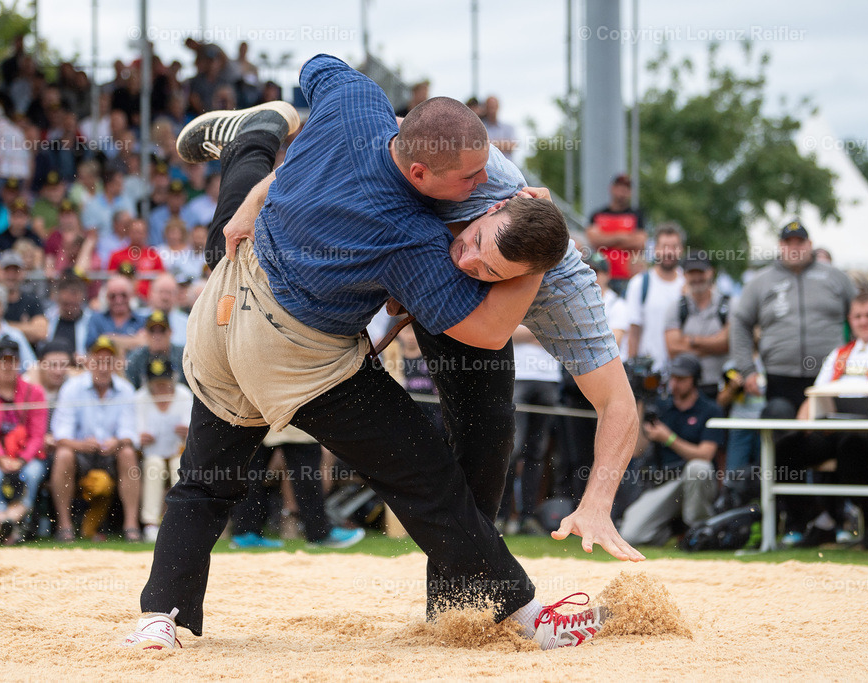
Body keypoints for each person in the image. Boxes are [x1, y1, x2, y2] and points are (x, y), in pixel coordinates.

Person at [126, 57, 631, 653]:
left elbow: (321, 66)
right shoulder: (410, 236)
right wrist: (530, 261)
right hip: (295, 351)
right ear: (420, 170)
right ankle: (525, 613)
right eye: (469, 179)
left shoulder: (354, 103)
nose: (479, 184)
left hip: (224, 305)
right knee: (427, 478)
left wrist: (268, 180)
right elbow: (488, 332)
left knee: (206, 477)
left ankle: (160, 617)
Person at [771, 292, 868, 549]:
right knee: (784, 449)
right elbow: (814, 396)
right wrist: (805, 426)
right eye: (858, 316)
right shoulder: (838, 355)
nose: (864, 321)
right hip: (833, 429)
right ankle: (820, 520)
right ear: (850, 320)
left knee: (851, 446)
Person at [730, 221, 857, 413]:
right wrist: (747, 370)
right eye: (789, 242)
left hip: (831, 375)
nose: (794, 248)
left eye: (800, 242)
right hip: (779, 376)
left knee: (828, 435)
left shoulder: (836, 277)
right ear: (780, 246)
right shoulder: (760, 281)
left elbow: (859, 316)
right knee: (780, 420)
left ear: (810, 244)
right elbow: (740, 323)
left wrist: (858, 359)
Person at [617, 354, 724, 546]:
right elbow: (637, 450)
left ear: (695, 380)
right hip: (666, 483)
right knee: (630, 535)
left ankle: (698, 531)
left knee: (697, 468)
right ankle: (672, 533)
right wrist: (640, 401)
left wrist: (669, 439)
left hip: (696, 480)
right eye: (673, 377)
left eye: (682, 379)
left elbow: (706, 454)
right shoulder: (661, 406)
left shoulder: (710, 409)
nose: (675, 383)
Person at [50, 335, 140, 542]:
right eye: (98, 361)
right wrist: (80, 444)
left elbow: (130, 433)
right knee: (63, 454)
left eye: (108, 361)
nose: (103, 367)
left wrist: (117, 442)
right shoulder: (72, 388)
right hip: (80, 453)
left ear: (116, 364)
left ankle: (131, 525)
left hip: (112, 453)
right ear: (89, 362)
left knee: (127, 452)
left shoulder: (126, 389)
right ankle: (64, 525)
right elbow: (61, 435)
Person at [230, 425, 366, 550]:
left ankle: (246, 532)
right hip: (286, 415)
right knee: (303, 467)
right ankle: (319, 533)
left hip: (264, 416)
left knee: (252, 470)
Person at [0, 336, 48, 544]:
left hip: (27, 455)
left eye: (12, 360)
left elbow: (38, 434)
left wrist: (21, 459)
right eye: (3, 360)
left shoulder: (35, 392)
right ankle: (6, 521)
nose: (7, 365)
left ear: (18, 362)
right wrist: (1, 458)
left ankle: (5, 521)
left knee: (31, 475)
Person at [495, 325, 561, 536]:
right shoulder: (514, 295)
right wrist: (543, 331)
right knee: (511, 450)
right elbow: (504, 332)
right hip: (517, 375)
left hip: (549, 379)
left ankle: (528, 518)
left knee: (537, 453)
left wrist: (531, 333)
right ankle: (501, 516)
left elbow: (559, 332)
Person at [135, 355, 192, 542]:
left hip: (178, 452)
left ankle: (181, 520)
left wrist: (187, 432)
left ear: (172, 380)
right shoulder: (140, 398)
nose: (161, 387)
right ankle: (151, 523)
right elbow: (133, 433)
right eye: (156, 383)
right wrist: (140, 438)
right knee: (154, 465)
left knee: (179, 465)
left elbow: (194, 433)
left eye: (164, 382)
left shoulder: (184, 395)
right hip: (150, 455)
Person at [664, 254, 730, 398]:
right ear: (685, 275)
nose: (696, 278)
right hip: (686, 392)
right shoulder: (676, 307)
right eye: (691, 273)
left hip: (721, 388)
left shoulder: (728, 305)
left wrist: (691, 341)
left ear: (711, 272)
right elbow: (673, 350)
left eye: (700, 272)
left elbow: (727, 343)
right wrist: (714, 345)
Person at [624, 223, 685, 374]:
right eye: (664, 246)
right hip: (649, 374)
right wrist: (633, 373)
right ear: (656, 249)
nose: (669, 252)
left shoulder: (688, 284)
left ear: (681, 249)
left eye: (674, 246)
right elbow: (633, 331)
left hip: (683, 375)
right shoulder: (639, 284)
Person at [585, 174, 646, 295]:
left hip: (628, 276)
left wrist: (606, 240)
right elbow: (593, 240)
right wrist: (622, 236)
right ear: (612, 188)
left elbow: (639, 242)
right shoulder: (598, 214)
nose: (622, 192)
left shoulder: (637, 215)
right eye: (619, 187)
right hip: (602, 276)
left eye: (626, 188)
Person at [85, 274, 146, 353]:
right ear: (106, 297)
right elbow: (91, 346)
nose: (118, 300)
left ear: (131, 295)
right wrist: (134, 341)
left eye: (123, 295)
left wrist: (107, 338)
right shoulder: (96, 319)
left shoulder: (142, 320)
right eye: (112, 296)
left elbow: (147, 345)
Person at [125, 310, 184, 389]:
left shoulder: (183, 356)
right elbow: (131, 389)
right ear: (145, 334)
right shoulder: (135, 359)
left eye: (162, 331)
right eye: (152, 331)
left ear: (170, 332)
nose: (157, 336)